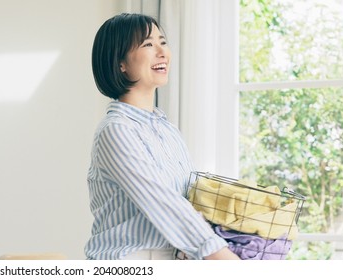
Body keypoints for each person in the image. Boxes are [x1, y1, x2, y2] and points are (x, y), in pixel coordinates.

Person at [84, 13, 240, 260]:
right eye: (148, 44)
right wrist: (221, 256)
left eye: (163, 42)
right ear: (120, 63)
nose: (162, 52)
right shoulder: (116, 130)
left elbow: (187, 202)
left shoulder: (168, 131)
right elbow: (165, 205)